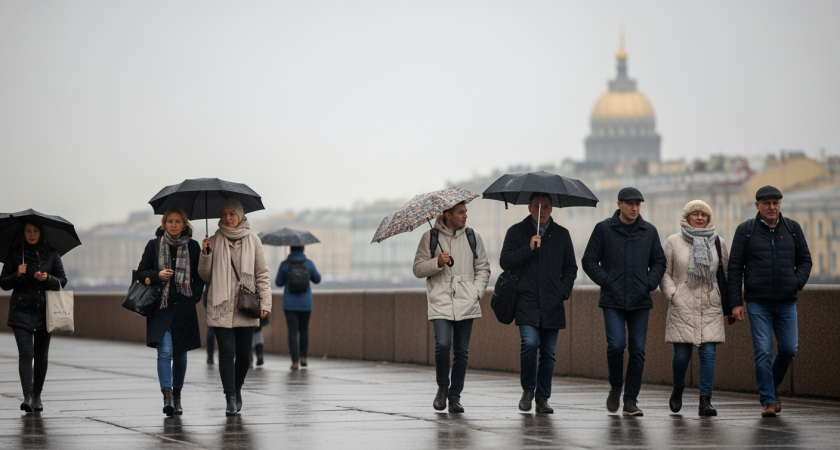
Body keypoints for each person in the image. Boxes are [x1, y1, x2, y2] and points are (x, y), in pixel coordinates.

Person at [727, 186, 811, 417]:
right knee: (763, 351)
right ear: (757, 206)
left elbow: (805, 260)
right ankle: (767, 401)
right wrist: (735, 303)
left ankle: (771, 389)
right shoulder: (746, 230)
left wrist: (796, 282)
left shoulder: (792, 229)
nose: (772, 207)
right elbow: (734, 269)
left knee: (788, 349)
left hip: (786, 302)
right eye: (767, 203)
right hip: (757, 303)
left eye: (776, 202)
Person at [582, 187, 666, 417]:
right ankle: (616, 385)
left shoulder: (649, 231)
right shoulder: (603, 229)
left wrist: (650, 282)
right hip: (612, 300)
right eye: (630, 204)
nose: (635, 208)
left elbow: (659, 261)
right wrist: (607, 281)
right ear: (619, 204)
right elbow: (589, 260)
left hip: (640, 300)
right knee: (616, 345)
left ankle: (630, 400)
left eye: (638, 204)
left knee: (638, 351)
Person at [499, 193, 577, 414]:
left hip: (553, 303)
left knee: (549, 354)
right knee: (530, 344)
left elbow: (571, 267)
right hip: (526, 300)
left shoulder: (562, 234)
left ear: (552, 208)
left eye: (547, 206)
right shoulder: (516, 232)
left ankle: (542, 399)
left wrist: (563, 290)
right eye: (537, 206)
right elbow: (505, 261)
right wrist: (529, 248)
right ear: (529, 208)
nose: (542, 211)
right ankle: (527, 390)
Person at [660, 200, 737, 416]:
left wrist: (731, 302)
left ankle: (705, 401)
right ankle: (678, 389)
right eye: (695, 214)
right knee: (681, 357)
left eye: (704, 214)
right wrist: (673, 295)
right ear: (687, 217)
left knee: (709, 354)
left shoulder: (718, 242)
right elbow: (664, 272)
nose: (700, 218)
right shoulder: (673, 242)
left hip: (710, 304)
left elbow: (728, 274)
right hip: (682, 304)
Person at [413, 201, 490, 413]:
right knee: (443, 344)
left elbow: (483, 268)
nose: (465, 216)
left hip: (466, 300)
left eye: (466, 212)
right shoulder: (430, 238)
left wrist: (475, 293)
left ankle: (455, 396)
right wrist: (436, 262)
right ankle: (442, 389)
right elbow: (418, 269)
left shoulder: (473, 237)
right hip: (440, 300)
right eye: (461, 212)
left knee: (462, 351)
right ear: (447, 215)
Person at [199, 199, 272, 416]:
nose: (227, 218)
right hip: (220, 306)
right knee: (226, 353)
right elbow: (205, 275)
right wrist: (205, 254)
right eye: (223, 214)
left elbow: (262, 274)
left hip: (245, 306)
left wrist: (266, 303)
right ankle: (230, 396)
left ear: (240, 215)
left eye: (232, 214)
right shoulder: (213, 240)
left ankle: (237, 388)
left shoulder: (254, 241)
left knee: (244, 357)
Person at [136, 207, 205, 416]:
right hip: (160, 307)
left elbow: (200, 277)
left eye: (177, 221)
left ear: (185, 224)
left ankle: (177, 395)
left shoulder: (193, 247)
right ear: (164, 223)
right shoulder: (154, 245)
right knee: (165, 352)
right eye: (169, 221)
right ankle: (166, 397)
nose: (173, 225)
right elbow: (140, 274)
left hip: (184, 308)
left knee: (181, 355)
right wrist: (158, 275)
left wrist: (194, 298)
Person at [0, 222, 67, 413]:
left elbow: (62, 280)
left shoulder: (52, 254)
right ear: (23, 232)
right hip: (20, 311)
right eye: (28, 231)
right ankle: (27, 396)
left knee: (41, 356)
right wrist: (16, 274)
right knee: (26, 354)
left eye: (35, 231)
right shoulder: (15, 254)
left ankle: (37, 396)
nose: (31, 234)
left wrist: (47, 279)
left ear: (41, 233)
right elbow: (3, 283)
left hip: (45, 311)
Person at [275, 245, 322, 370]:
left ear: (290, 249)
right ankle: (303, 357)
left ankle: (294, 361)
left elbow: (278, 283)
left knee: (292, 332)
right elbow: (317, 279)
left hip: (289, 303)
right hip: (305, 303)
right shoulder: (309, 263)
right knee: (304, 330)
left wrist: (286, 274)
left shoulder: (285, 264)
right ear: (303, 249)